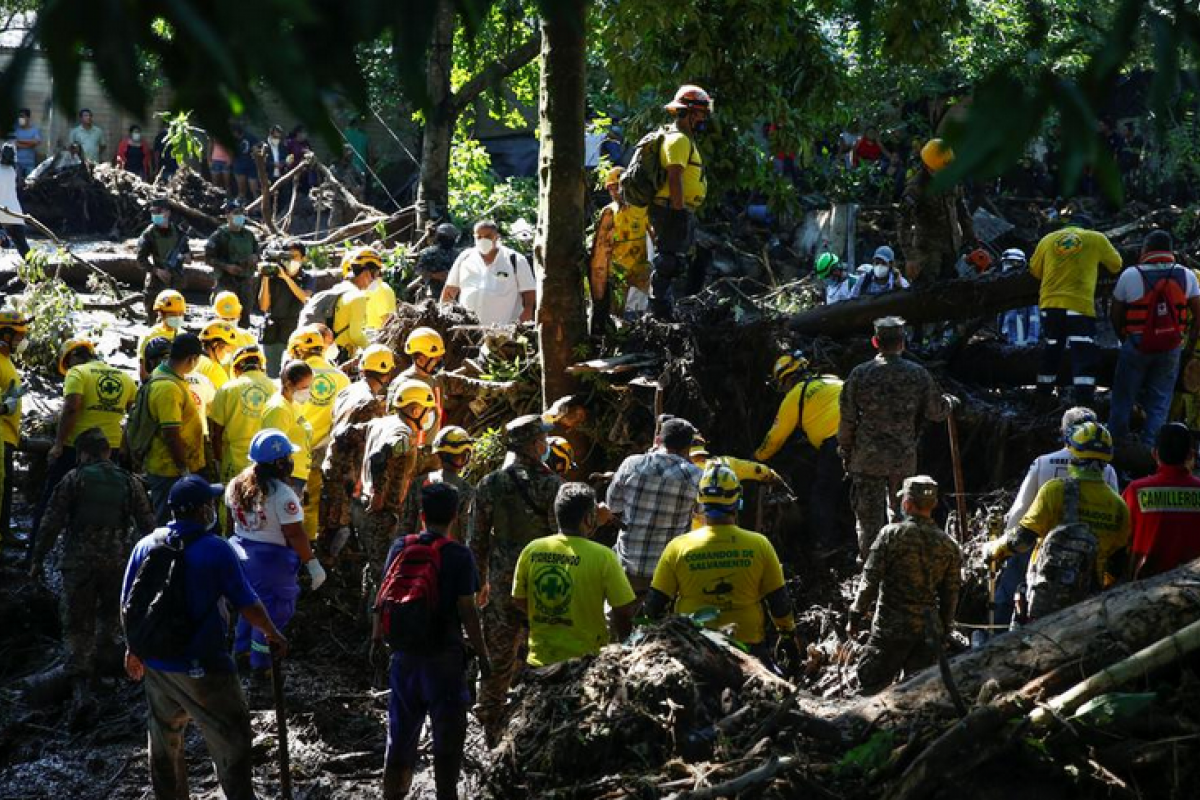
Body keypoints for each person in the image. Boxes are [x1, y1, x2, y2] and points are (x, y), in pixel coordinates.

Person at [121, 475, 287, 800]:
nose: (213, 508)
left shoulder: (145, 545)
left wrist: (133, 649)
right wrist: (272, 632)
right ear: (200, 511)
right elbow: (247, 603)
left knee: (164, 739)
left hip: (157, 664)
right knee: (233, 736)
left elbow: (127, 602)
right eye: (209, 503)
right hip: (204, 666)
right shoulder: (215, 549)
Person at [376, 482, 488, 800]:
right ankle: (446, 794)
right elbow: (468, 610)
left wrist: (377, 640)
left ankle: (392, 794)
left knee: (399, 735)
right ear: (456, 515)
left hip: (404, 658)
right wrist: (483, 654)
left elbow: (382, 596)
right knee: (448, 738)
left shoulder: (400, 547)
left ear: (422, 515)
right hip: (445, 660)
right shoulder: (458, 555)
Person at [29, 428, 155, 684]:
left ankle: (80, 671)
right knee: (111, 616)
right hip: (118, 561)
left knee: (77, 619)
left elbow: (50, 523)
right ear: (108, 452)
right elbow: (148, 525)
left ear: (83, 453)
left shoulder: (74, 479)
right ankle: (107, 661)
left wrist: (37, 559)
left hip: (79, 562)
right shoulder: (130, 481)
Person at [645, 461, 802, 663]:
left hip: (694, 646)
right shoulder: (759, 544)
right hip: (748, 647)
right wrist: (787, 636)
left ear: (701, 502)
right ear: (738, 501)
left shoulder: (677, 547)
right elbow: (778, 601)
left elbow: (654, 606)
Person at [469, 414, 563, 743]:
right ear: (534, 445)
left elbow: (476, 540)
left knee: (497, 653)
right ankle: (535, 719)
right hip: (542, 579)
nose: (546, 444)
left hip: (500, 579)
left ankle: (490, 722)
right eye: (543, 439)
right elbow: (561, 535)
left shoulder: (490, 484)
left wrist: (479, 582)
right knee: (542, 647)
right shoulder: (552, 485)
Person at [986, 422, 1131, 622]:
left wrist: (993, 550)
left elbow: (1022, 539)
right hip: (1089, 603)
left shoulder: (1055, 491)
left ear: (1073, 454)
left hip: (1046, 595)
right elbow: (1118, 563)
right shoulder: (1119, 507)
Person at [839, 317, 957, 558]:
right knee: (903, 515)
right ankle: (900, 567)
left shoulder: (859, 375)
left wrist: (845, 450)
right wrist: (951, 403)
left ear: (875, 342)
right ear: (902, 343)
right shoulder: (917, 374)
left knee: (868, 522)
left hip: (866, 459)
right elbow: (936, 412)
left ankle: (870, 570)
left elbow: (847, 420)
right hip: (902, 459)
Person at [848, 476, 962, 694]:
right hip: (927, 633)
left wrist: (855, 614)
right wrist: (945, 629)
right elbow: (951, 594)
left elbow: (870, 580)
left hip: (890, 630)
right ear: (934, 504)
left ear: (907, 504)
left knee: (870, 689)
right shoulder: (949, 545)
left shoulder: (891, 535)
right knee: (917, 696)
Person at [228, 429, 326, 679]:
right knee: (273, 612)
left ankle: (241, 653)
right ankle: (262, 663)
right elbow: (295, 534)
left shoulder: (237, 483)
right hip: (270, 563)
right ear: (279, 462)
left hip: (240, 553)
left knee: (247, 605)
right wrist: (312, 564)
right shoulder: (282, 494)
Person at [30, 339, 136, 560]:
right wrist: (125, 445)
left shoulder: (77, 373)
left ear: (71, 358)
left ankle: (34, 556)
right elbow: (133, 416)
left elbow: (71, 407)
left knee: (53, 502)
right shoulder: (124, 377)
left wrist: (58, 444)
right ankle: (100, 557)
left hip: (77, 448)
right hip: (111, 448)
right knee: (104, 502)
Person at [513, 482, 637, 665]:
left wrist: (551, 615)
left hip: (539, 662)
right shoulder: (604, 557)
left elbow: (518, 599)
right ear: (588, 519)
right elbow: (623, 611)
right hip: (585, 665)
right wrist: (626, 647)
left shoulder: (532, 550)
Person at [1109, 230, 1200, 445]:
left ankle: (1117, 451)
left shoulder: (1131, 274)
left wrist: (1124, 339)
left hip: (1136, 344)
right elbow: (1198, 316)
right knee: (1159, 403)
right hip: (1171, 346)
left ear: (1146, 250)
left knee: (1123, 399)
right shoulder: (1186, 275)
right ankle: (1150, 453)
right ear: (1170, 250)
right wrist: (1187, 347)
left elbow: (1115, 314)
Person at [755, 352, 845, 549]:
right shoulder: (832, 380)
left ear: (787, 379)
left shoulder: (795, 395)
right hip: (867, 437)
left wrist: (757, 458)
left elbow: (775, 438)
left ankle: (823, 545)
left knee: (823, 494)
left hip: (836, 443)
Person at [1030, 215, 1123, 404]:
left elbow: (1034, 269)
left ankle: (1042, 396)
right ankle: (1084, 400)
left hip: (1050, 305)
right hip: (1078, 305)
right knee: (1083, 352)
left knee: (1051, 349)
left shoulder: (1048, 239)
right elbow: (1116, 265)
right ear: (1088, 227)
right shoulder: (1095, 238)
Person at [607, 417, 703, 593]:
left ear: (658, 440)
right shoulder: (696, 476)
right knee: (664, 620)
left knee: (618, 617)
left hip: (626, 567)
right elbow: (702, 514)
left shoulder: (632, 464)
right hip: (666, 575)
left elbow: (613, 506)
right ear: (688, 448)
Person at [648, 85, 712, 320]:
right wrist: (678, 211)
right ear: (688, 113)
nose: (703, 119)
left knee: (682, 261)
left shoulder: (683, 140)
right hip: (671, 209)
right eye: (701, 114)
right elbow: (674, 176)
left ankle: (671, 311)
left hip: (676, 209)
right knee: (668, 262)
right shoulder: (678, 140)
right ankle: (660, 315)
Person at [288, 327, 351, 540]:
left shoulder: (294, 375)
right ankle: (310, 547)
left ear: (299, 350)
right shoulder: (341, 378)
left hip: (295, 449)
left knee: (290, 503)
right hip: (322, 450)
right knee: (313, 504)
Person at [141, 334, 207, 522]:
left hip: (172, 467)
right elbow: (171, 433)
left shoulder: (170, 377)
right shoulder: (168, 388)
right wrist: (183, 468)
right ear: (191, 359)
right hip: (169, 469)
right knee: (167, 520)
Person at [1125, 423, 1200, 580]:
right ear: (1190, 455)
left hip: (1142, 587)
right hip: (1193, 584)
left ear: (1154, 453)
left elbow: (1122, 536)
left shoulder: (1135, 490)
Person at [900, 139, 975, 287]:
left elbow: (962, 209)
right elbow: (903, 223)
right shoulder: (916, 188)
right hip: (928, 255)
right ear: (929, 167)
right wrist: (910, 256)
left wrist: (970, 237)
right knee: (928, 295)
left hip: (953, 249)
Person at [589, 166, 653, 334]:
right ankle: (614, 339)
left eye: (617, 186)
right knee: (614, 312)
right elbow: (602, 245)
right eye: (611, 188)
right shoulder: (609, 212)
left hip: (640, 266)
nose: (614, 191)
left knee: (655, 300)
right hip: (617, 270)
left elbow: (653, 232)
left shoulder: (641, 209)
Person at [440, 220, 537, 326]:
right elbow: (450, 290)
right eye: (479, 237)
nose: (483, 240)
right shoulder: (465, 258)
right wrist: (443, 316)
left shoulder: (515, 260)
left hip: (504, 331)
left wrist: (522, 322)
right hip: (466, 329)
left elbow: (529, 294)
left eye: (488, 236)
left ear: (497, 237)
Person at [209, 345, 279, 485]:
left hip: (234, 461)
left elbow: (215, 432)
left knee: (232, 501)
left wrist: (218, 460)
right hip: (266, 458)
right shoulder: (275, 388)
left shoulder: (227, 389)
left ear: (236, 368)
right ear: (261, 365)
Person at [399, 426, 476, 544]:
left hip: (419, 552)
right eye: (460, 455)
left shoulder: (419, 483)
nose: (461, 459)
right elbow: (467, 534)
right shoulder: (467, 491)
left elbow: (406, 524)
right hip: (450, 555)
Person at [257, 241, 313, 376]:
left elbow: (305, 298)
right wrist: (265, 278)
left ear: (303, 259)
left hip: (294, 333)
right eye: (288, 256)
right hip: (272, 333)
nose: (292, 260)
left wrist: (286, 278)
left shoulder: (307, 278)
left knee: (292, 375)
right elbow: (264, 306)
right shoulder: (273, 276)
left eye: (295, 256)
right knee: (271, 374)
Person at [261, 359, 314, 498]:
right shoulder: (279, 409)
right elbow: (274, 451)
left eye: (310, 386)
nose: (309, 392)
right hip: (287, 478)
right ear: (289, 384)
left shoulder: (294, 404)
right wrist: (284, 480)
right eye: (305, 387)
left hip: (298, 475)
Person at [205, 200, 260, 328]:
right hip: (225, 282)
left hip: (246, 282)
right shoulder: (219, 236)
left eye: (242, 213)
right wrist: (227, 267)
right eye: (236, 213)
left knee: (244, 316)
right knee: (224, 316)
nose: (240, 216)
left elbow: (257, 252)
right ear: (228, 215)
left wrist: (255, 257)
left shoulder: (249, 235)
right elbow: (209, 258)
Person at [136, 198, 191, 324]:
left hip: (176, 280)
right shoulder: (148, 234)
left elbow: (187, 254)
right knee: (153, 319)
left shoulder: (178, 233)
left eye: (158, 212)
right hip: (156, 281)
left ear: (167, 213)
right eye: (152, 212)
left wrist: (184, 257)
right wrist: (156, 271)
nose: (155, 215)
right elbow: (140, 260)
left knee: (176, 320)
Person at [0, 310, 28, 545]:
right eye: (17, 335)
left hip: (7, 435)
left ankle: (4, 533)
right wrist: (4, 407)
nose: (22, 340)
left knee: (6, 488)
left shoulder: (6, 359)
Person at [138, 290, 187, 376]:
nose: (177, 317)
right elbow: (143, 371)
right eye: (172, 314)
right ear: (161, 313)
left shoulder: (184, 336)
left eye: (180, 314)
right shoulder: (149, 336)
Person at [998, 248, 1040, 345]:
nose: (1009, 266)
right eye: (1008, 263)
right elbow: (1002, 316)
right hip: (1006, 338)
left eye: (1013, 263)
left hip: (1021, 341)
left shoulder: (1027, 290)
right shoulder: (1003, 290)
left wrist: (1032, 339)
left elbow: (1034, 317)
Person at [414, 222, 461, 300]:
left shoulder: (459, 255)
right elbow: (418, 270)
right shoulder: (428, 253)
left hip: (454, 294)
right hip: (433, 293)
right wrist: (435, 275)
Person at [0, 142, 31, 257]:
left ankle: (4, 240)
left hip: (1, 211)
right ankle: (35, 269)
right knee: (23, 247)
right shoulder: (14, 170)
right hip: (14, 213)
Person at [230, 121, 260, 202]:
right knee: (241, 190)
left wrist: (256, 152)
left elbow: (257, 148)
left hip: (251, 166)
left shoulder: (249, 137)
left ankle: (258, 207)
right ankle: (241, 205)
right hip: (239, 165)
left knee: (254, 188)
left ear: (236, 132)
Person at [11, 108, 41, 178]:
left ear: (28, 118)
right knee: (16, 184)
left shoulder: (34, 130)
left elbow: (37, 142)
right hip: (17, 162)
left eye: (22, 116)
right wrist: (30, 144)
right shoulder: (16, 129)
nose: (20, 118)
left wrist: (19, 140)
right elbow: (13, 144)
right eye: (19, 117)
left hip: (30, 163)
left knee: (30, 183)